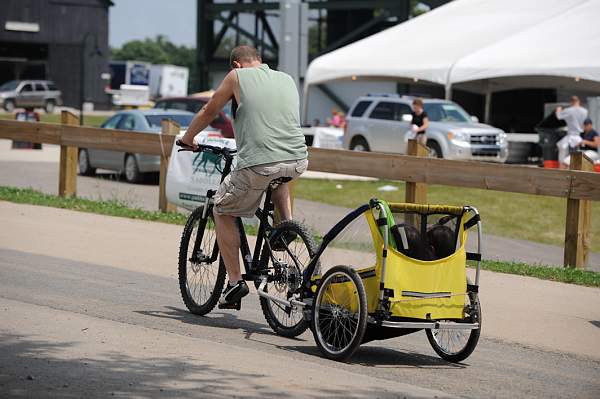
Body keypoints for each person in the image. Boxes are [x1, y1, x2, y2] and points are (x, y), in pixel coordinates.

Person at [179, 45, 308, 308]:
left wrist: (189, 138)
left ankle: (234, 282)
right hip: (297, 159)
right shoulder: (286, 78)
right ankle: (287, 227)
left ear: (236, 64)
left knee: (222, 209)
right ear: (260, 61)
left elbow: (210, 110)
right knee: (278, 178)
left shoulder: (237, 76)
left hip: (260, 162)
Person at [555, 96, 588, 168]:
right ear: (579, 101)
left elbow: (559, 116)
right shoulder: (585, 111)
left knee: (563, 151)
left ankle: (561, 168)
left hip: (571, 136)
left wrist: (558, 109)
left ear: (572, 102)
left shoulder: (568, 110)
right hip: (579, 137)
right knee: (577, 155)